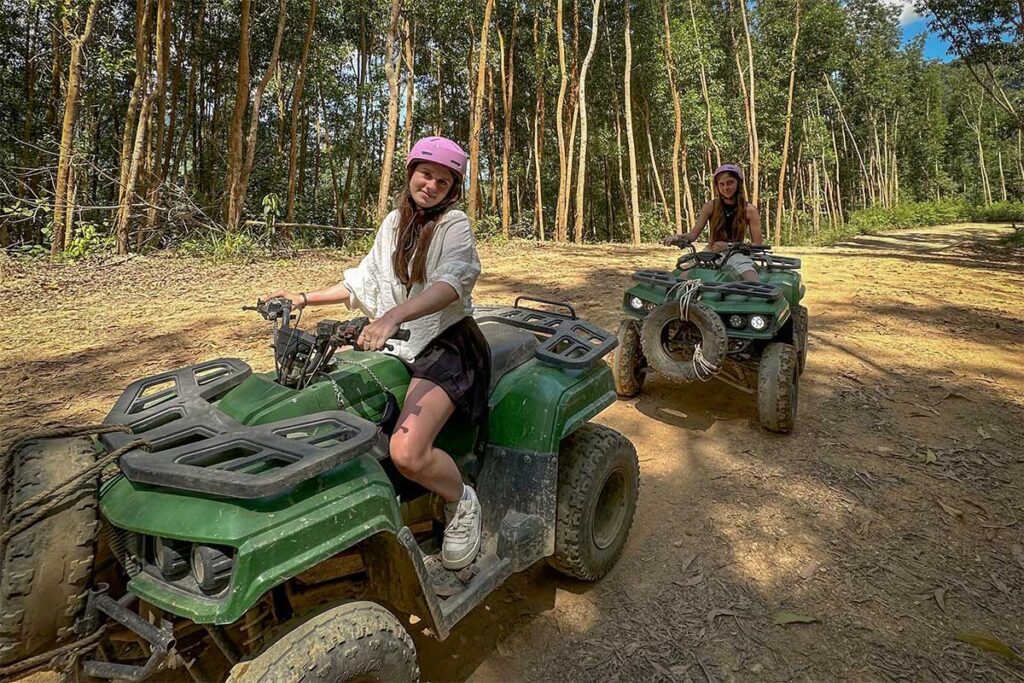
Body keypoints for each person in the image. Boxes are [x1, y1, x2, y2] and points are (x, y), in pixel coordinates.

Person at [261, 137, 489, 571]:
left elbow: (451, 284)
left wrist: (392, 317)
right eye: (426, 174)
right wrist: (303, 298)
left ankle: (461, 501)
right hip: (395, 339)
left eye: (444, 180)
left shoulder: (454, 226)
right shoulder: (393, 223)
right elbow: (362, 284)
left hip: (445, 344)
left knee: (407, 452)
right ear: (411, 173)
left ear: (453, 189)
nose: (432, 185)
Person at [662, 163, 764, 282]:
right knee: (680, 279)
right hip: (710, 253)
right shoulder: (710, 206)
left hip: (737, 254)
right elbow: (693, 235)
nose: (726, 188)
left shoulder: (749, 209)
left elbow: (757, 244)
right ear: (717, 186)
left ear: (738, 184)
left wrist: (729, 246)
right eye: (722, 184)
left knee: (753, 281)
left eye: (730, 183)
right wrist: (677, 238)